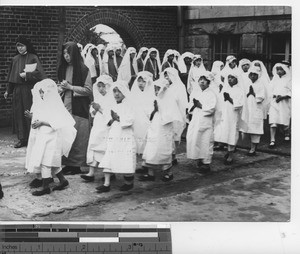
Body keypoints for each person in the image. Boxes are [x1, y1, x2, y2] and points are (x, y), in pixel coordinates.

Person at [25, 79, 77, 196]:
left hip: (52, 137)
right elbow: (40, 116)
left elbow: (57, 122)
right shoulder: (44, 104)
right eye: (41, 92)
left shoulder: (55, 105)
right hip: (43, 136)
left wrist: (42, 122)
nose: (42, 95)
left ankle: (45, 187)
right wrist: (32, 116)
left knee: (46, 162)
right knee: (52, 162)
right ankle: (63, 180)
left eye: (43, 92)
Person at [57, 41, 93, 175]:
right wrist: (60, 88)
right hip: (65, 106)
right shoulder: (62, 68)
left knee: (78, 136)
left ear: (75, 54)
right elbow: (62, 86)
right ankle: (67, 163)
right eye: (64, 53)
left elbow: (88, 90)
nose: (66, 56)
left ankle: (76, 165)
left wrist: (71, 87)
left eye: (69, 53)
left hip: (78, 108)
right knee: (66, 136)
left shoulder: (84, 70)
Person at [4, 36, 46, 148]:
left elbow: (40, 74)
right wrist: (8, 90)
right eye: (18, 46)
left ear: (27, 46)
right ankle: (22, 139)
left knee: (29, 112)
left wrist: (27, 75)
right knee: (19, 114)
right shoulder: (15, 59)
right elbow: (11, 77)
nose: (20, 48)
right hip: (17, 90)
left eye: (22, 45)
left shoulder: (33, 57)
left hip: (29, 90)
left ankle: (32, 137)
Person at [97, 80, 136, 193]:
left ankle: (128, 182)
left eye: (119, 91)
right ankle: (106, 183)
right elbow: (108, 120)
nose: (116, 94)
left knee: (126, 157)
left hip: (125, 135)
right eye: (114, 91)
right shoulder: (112, 105)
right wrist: (111, 119)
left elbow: (131, 120)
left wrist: (118, 118)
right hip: (114, 133)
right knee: (110, 154)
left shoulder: (129, 105)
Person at [139, 79, 176, 182]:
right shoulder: (154, 99)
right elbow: (149, 114)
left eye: (158, 88)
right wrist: (154, 110)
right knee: (151, 148)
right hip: (154, 128)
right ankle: (150, 173)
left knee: (164, 149)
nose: (156, 91)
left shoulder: (169, 99)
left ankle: (168, 172)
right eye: (155, 89)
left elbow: (170, 116)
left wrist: (160, 109)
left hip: (164, 129)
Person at [81, 75, 116, 182]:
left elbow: (112, 115)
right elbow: (93, 112)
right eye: (99, 86)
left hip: (107, 127)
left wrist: (99, 109)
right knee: (93, 146)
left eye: (103, 86)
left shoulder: (112, 99)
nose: (101, 89)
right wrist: (95, 109)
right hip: (97, 126)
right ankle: (91, 172)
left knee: (105, 149)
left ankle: (110, 172)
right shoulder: (98, 97)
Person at [187, 72, 216, 173]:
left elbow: (212, 108)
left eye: (204, 80)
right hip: (196, 119)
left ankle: (206, 162)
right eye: (200, 80)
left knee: (206, 141)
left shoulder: (211, 94)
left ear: (208, 82)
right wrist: (194, 106)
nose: (202, 82)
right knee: (196, 138)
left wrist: (200, 105)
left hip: (206, 121)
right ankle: (199, 158)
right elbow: (190, 105)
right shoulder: (195, 92)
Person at [215, 72, 244, 165]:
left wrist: (229, 99)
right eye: (229, 77)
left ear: (237, 79)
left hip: (233, 115)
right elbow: (219, 101)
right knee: (224, 132)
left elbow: (239, 104)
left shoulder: (240, 90)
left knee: (232, 132)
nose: (230, 79)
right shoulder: (225, 89)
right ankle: (227, 150)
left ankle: (231, 155)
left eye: (232, 77)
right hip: (224, 114)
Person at [163, 67, 188, 165]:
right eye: (165, 75)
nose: (166, 77)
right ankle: (167, 155)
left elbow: (182, 102)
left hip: (177, 113)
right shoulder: (165, 86)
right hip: (167, 114)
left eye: (168, 75)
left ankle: (173, 156)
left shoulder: (179, 87)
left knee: (175, 135)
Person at [240, 66, 265, 155]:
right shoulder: (246, 84)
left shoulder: (260, 84)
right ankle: (239, 145)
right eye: (251, 74)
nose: (253, 76)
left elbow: (261, 97)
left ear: (258, 75)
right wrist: (248, 93)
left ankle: (253, 148)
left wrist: (254, 94)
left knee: (255, 128)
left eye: (255, 75)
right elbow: (242, 95)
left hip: (256, 108)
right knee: (245, 127)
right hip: (247, 108)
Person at [130, 71, 155, 156]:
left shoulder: (151, 94)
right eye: (139, 81)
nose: (140, 83)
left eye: (143, 81)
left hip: (146, 120)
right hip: (136, 120)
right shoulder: (134, 94)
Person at [268, 63, 291, 148]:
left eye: (281, 69)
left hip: (284, 102)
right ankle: (272, 140)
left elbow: (291, 91)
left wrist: (282, 97)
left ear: (285, 70)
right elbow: (270, 89)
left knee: (284, 120)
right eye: (277, 69)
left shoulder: (289, 79)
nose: (279, 71)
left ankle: (286, 133)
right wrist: (273, 96)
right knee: (273, 120)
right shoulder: (274, 78)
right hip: (274, 102)